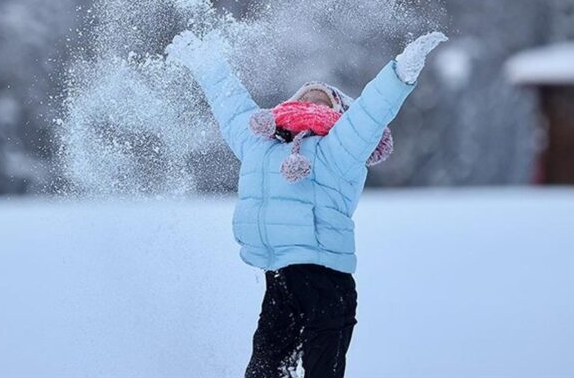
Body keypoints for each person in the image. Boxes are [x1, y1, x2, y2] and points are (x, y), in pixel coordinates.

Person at [164, 30, 447, 377]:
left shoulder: (339, 149)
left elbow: (370, 113)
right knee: (263, 370)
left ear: (340, 114)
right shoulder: (260, 145)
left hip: (327, 282)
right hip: (280, 279)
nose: (312, 104)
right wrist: (206, 64)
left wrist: (400, 73)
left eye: (323, 101)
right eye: (305, 99)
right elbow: (231, 105)